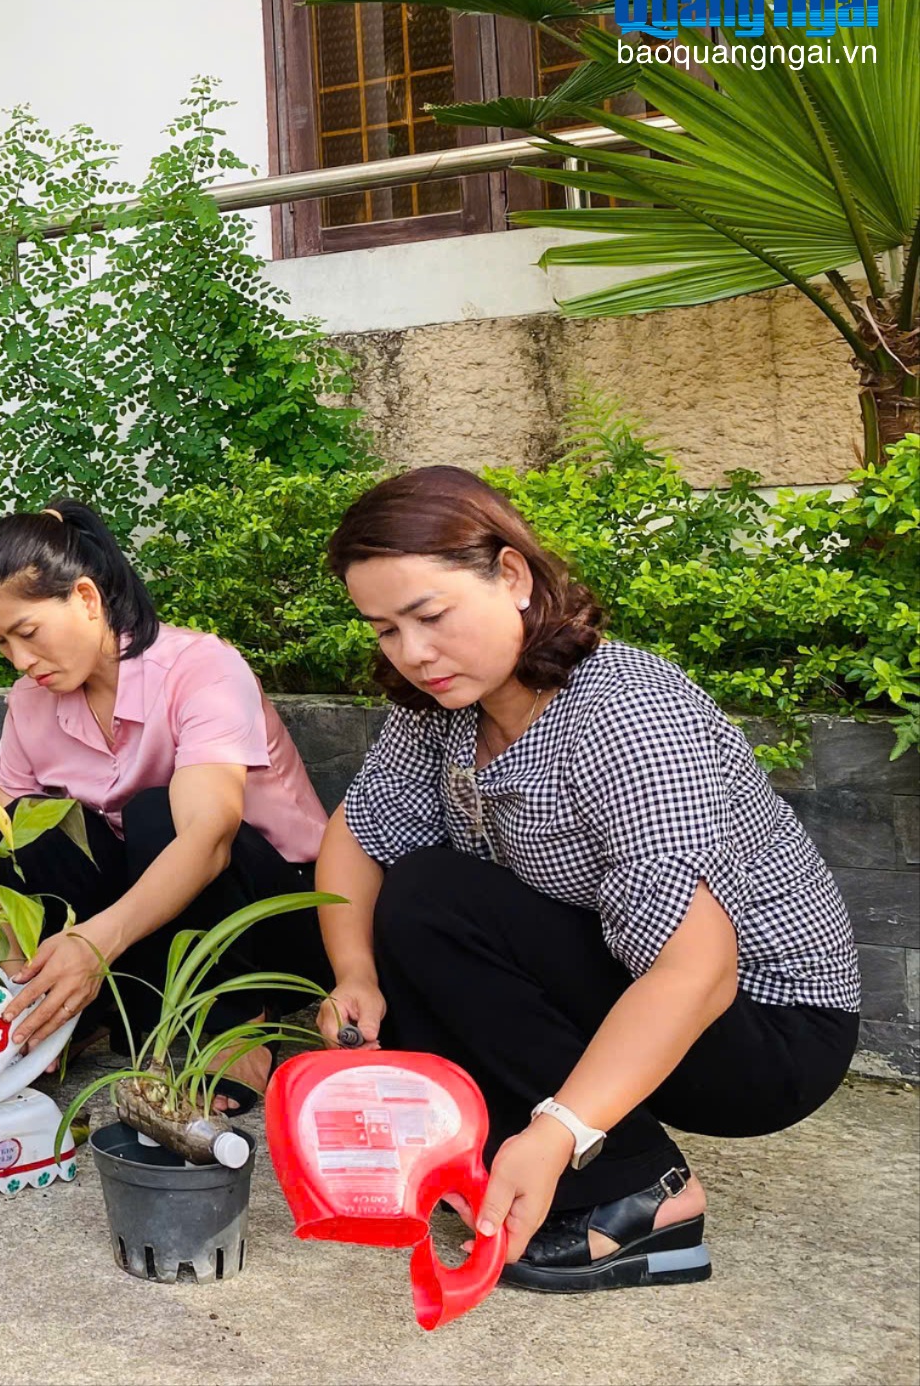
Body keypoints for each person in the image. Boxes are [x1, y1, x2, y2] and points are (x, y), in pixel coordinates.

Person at [315, 466, 859, 1292]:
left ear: (512, 575)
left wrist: (562, 1128)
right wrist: (355, 976)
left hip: (767, 1027)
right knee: (417, 903)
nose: (414, 653)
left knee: (435, 896)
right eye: (385, 629)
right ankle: (507, 1164)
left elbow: (699, 973)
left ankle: (638, 1194)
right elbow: (357, 837)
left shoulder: (627, 713)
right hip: (636, 986)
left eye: (430, 616)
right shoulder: (445, 707)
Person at [0, 501, 332, 1105]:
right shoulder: (29, 701)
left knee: (158, 811)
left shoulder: (201, 669)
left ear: (86, 598)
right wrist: (4, 968)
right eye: (0, 641)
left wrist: (93, 943)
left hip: (270, 915)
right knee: (34, 829)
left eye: (28, 632)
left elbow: (208, 837)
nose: (19, 659)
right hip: (152, 923)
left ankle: (234, 1024)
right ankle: (79, 1016)